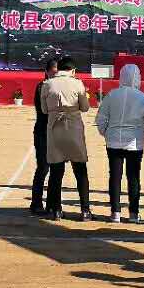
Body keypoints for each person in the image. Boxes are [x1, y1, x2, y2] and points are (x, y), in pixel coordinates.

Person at [96, 63, 144, 222]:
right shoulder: (142, 97)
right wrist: (141, 125)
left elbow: (101, 118)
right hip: (134, 143)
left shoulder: (111, 95)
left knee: (115, 176)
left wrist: (106, 133)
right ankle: (134, 213)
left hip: (113, 141)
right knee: (133, 177)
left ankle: (115, 212)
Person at [43, 56, 92, 220]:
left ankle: (57, 210)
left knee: (56, 172)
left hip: (55, 129)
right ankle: (85, 210)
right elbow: (85, 108)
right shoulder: (77, 83)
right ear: (73, 70)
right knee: (80, 170)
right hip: (73, 129)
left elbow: (44, 109)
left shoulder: (48, 84)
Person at [29, 58, 60, 215]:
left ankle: (52, 204)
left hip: (57, 133)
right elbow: (43, 111)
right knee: (43, 167)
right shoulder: (42, 86)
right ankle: (36, 203)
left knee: (56, 169)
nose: (55, 75)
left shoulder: (60, 86)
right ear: (47, 72)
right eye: (53, 72)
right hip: (43, 132)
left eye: (57, 72)